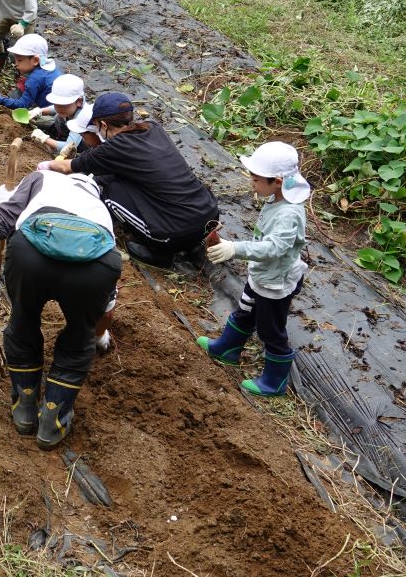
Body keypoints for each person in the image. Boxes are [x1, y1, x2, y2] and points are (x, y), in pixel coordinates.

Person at [0, 169, 122, 449]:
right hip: (94, 269)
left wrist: (0, 202)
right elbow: (105, 312)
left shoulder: (40, 178)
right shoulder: (102, 214)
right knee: (78, 337)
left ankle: (24, 405)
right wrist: (95, 336)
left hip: (30, 257)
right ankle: (53, 420)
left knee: (23, 321)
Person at [44, 92, 220, 267]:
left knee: (107, 189)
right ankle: (193, 243)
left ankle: (159, 252)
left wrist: (45, 166)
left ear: (103, 124)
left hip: (173, 234)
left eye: (96, 126)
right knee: (123, 179)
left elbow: (66, 167)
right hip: (209, 216)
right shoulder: (153, 127)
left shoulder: (113, 148)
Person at [198, 142, 310, 396]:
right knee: (246, 309)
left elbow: (274, 248)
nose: (252, 183)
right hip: (261, 274)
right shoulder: (276, 199)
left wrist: (235, 249)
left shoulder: (289, 214)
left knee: (271, 331)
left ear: (278, 181)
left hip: (275, 283)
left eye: (256, 178)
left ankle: (275, 382)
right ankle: (227, 348)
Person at [0, 33, 61, 112]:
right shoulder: (49, 67)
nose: (16, 64)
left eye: (19, 60)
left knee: (38, 119)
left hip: (56, 113)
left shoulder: (35, 79)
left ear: (35, 60)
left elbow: (22, 105)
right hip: (61, 107)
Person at [30, 74, 94, 154]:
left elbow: (68, 148)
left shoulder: (81, 119)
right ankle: (61, 137)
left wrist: (44, 139)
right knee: (58, 116)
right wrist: (39, 111)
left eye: (64, 105)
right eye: (57, 103)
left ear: (79, 102)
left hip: (84, 146)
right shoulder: (70, 107)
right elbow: (55, 108)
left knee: (70, 150)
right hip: (68, 132)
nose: (59, 108)